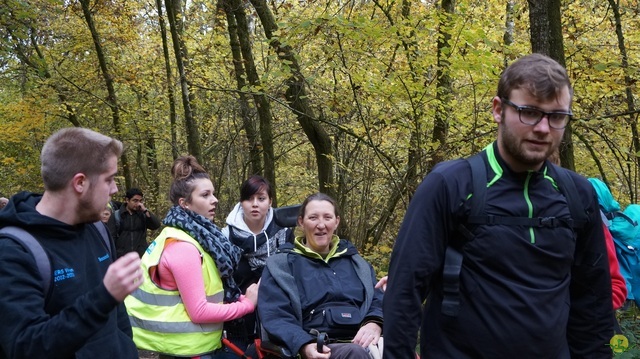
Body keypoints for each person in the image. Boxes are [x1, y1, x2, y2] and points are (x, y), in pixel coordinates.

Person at [383, 54, 614, 358]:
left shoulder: (578, 195)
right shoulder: (450, 185)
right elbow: (405, 290)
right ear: (498, 110)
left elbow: (593, 304)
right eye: (529, 112)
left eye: (556, 116)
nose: (543, 128)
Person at [0, 127, 143, 358]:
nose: (115, 189)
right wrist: (102, 297)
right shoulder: (15, 250)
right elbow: (26, 347)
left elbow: (117, 317)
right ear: (80, 183)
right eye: (109, 179)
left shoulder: (98, 229)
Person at [125, 155, 258, 359]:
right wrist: (246, 305)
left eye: (213, 193)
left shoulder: (194, 237)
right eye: (205, 195)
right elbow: (199, 311)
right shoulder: (182, 246)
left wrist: (239, 297)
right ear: (184, 203)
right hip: (187, 350)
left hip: (192, 346)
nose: (215, 200)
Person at [258, 193, 383, 359]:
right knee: (355, 354)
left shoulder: (356, 263)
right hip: (318, 346)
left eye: (327, 217)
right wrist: (303, 344)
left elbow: (378, 299)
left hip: (362, 341)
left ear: (336, 222)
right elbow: (276, 315)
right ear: (301, 222)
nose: (321, 225)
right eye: (313, 218)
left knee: (401, 348)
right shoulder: (281, 266)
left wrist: (374, 322)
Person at [221, 175, 292, 355]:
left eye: (261, 199)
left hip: (276, 315)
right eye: (249, 199)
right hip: (237, 320)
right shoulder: (225, 236)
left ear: (270, 202)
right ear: (241, 202)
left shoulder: (284, 232)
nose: (255, 204)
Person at [109, 187, 161, 258]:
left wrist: (145, 211)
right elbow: (111, 239)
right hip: (122, 258)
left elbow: (156, 225)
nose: (138, 204)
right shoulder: (116, 216)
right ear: (127, 200)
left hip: (141, 257)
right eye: (135, 201)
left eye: (140, 201)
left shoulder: (143, 215)